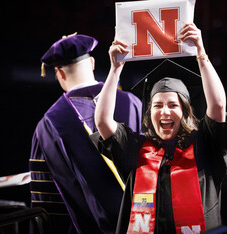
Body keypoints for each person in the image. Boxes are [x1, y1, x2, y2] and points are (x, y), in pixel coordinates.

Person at [91, 24, 227, 233]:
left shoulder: (205, 145)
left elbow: (218, 106)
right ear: (149, 113)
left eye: (173, 105)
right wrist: (115, 69)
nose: (165, 111)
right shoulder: (135, 149)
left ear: (185, 112)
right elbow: (103, 121)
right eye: (157, 105)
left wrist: (201, 54)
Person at [29, 33, 142, 233]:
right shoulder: (132, 103)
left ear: (59, 74)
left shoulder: (48, 126)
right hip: (144, 221)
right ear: (92, 63)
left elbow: (47, 199)